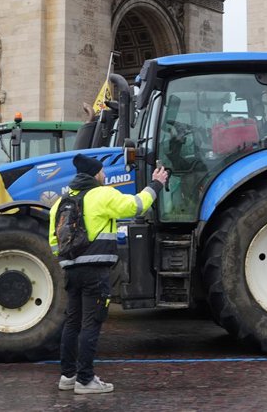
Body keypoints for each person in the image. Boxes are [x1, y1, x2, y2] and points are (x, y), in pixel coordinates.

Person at [50, 153, 169, 394]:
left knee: (72, 323)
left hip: (71, 271)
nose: (104, 175)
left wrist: (69, 261)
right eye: (102, 171)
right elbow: (136, 205)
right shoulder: (102, 195)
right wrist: (156, 184)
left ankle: (68, 376)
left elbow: (54, 242)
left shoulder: (60, 203)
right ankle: (85, 380)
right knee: (91, 323)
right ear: (96, 174)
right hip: (95, 271)